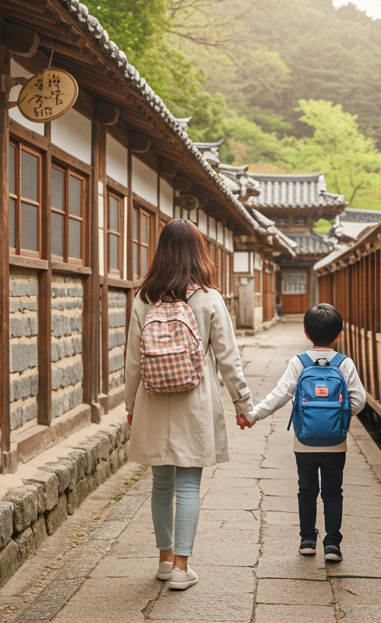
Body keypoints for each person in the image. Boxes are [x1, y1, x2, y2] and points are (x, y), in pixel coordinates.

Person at [125, 219, 255, 591]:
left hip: (152, 399)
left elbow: (133, 359)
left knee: (161, 484)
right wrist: (242, 404)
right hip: (194, 401)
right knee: (187, 486)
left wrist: (129, 404)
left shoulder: (143, 298)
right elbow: (229, 358)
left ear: (161, 251)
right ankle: (183, 567)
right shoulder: (210, 298)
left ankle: (164, 560)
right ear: (199, 251)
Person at [241, 304, 367, 562]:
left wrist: (253, 415)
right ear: (339, 335)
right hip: (336, 443)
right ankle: (332, 545)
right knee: (333, 492)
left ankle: (307, 540)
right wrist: (339, 417)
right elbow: (359, 401)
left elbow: (280, 394)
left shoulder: (299, 363)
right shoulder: (345, 363)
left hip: (304, 442)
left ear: (306, 334)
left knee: (306, 490)